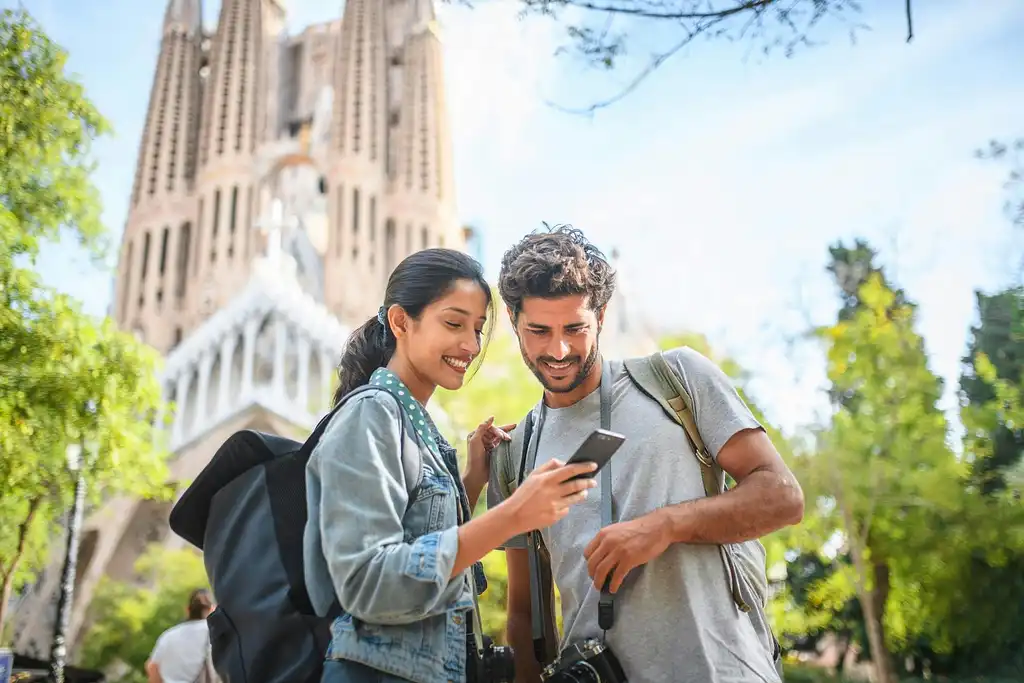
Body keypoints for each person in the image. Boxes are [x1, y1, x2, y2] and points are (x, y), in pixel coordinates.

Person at [487, 226, 806, 682]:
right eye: (538, 330)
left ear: (600, 317)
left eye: (574, 328)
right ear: (514, 323)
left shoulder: (677, 380)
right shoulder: (512, 455)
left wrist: (665, 525)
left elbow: (783, 497)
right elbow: (523, 617)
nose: (557, 350)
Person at [303, 248, 598, 683]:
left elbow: (422, 549)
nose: (471, 345)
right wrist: (514, 514)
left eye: (478, 329)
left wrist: (471, 484)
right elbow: (368, 583)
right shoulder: (372, 414)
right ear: (402, 322)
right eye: (454, 323)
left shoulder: (418, 427)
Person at [145, 588, 215, 683]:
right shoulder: (215, 632)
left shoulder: (169, 635)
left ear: (187, 609)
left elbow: (152, 667)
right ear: (212, 609)